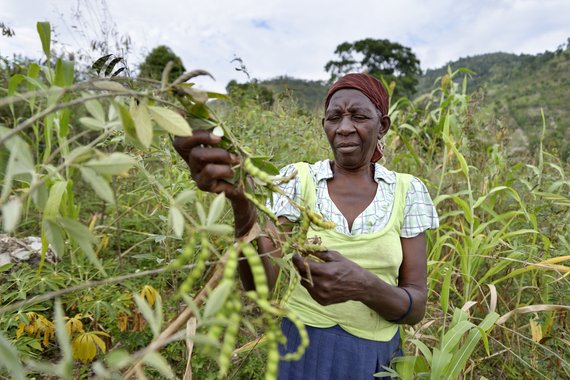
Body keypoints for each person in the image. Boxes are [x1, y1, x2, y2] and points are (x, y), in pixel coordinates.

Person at [173, 73, 438, 379]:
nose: (344, 128)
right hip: (302, 351)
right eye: (334, 117)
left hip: (374, 360)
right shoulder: (298, 181)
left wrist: (365, 286)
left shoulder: (408, 191)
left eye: (359, 116)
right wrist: (242, 202)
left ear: (383, 126)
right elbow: (261, 286)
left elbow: (416, 306)